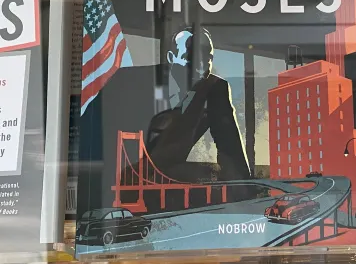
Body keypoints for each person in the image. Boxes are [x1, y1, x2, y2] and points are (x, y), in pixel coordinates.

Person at [78, 26, 252, 212]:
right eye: (191, 58)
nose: (202, 65)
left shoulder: (215, 89)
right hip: (108, 177)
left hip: (160, 185)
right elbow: (90, 140)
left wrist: (247, 202)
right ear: (170, 58)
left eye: (208, 57)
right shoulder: (128, 81)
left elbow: (231, 149)